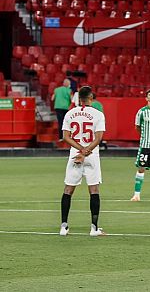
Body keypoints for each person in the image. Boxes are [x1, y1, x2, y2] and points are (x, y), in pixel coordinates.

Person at [59, 86, 106, 237]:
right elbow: (98, 138)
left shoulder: (70, 113)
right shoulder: (98, 114)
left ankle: (64, 227)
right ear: (91, 98)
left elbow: (66, 137)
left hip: (75, 154)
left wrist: (80, 151)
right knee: (93, 190)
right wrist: (86, 152)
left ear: (79, 99)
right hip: (91, 155)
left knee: (68, 190)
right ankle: (94, 228)